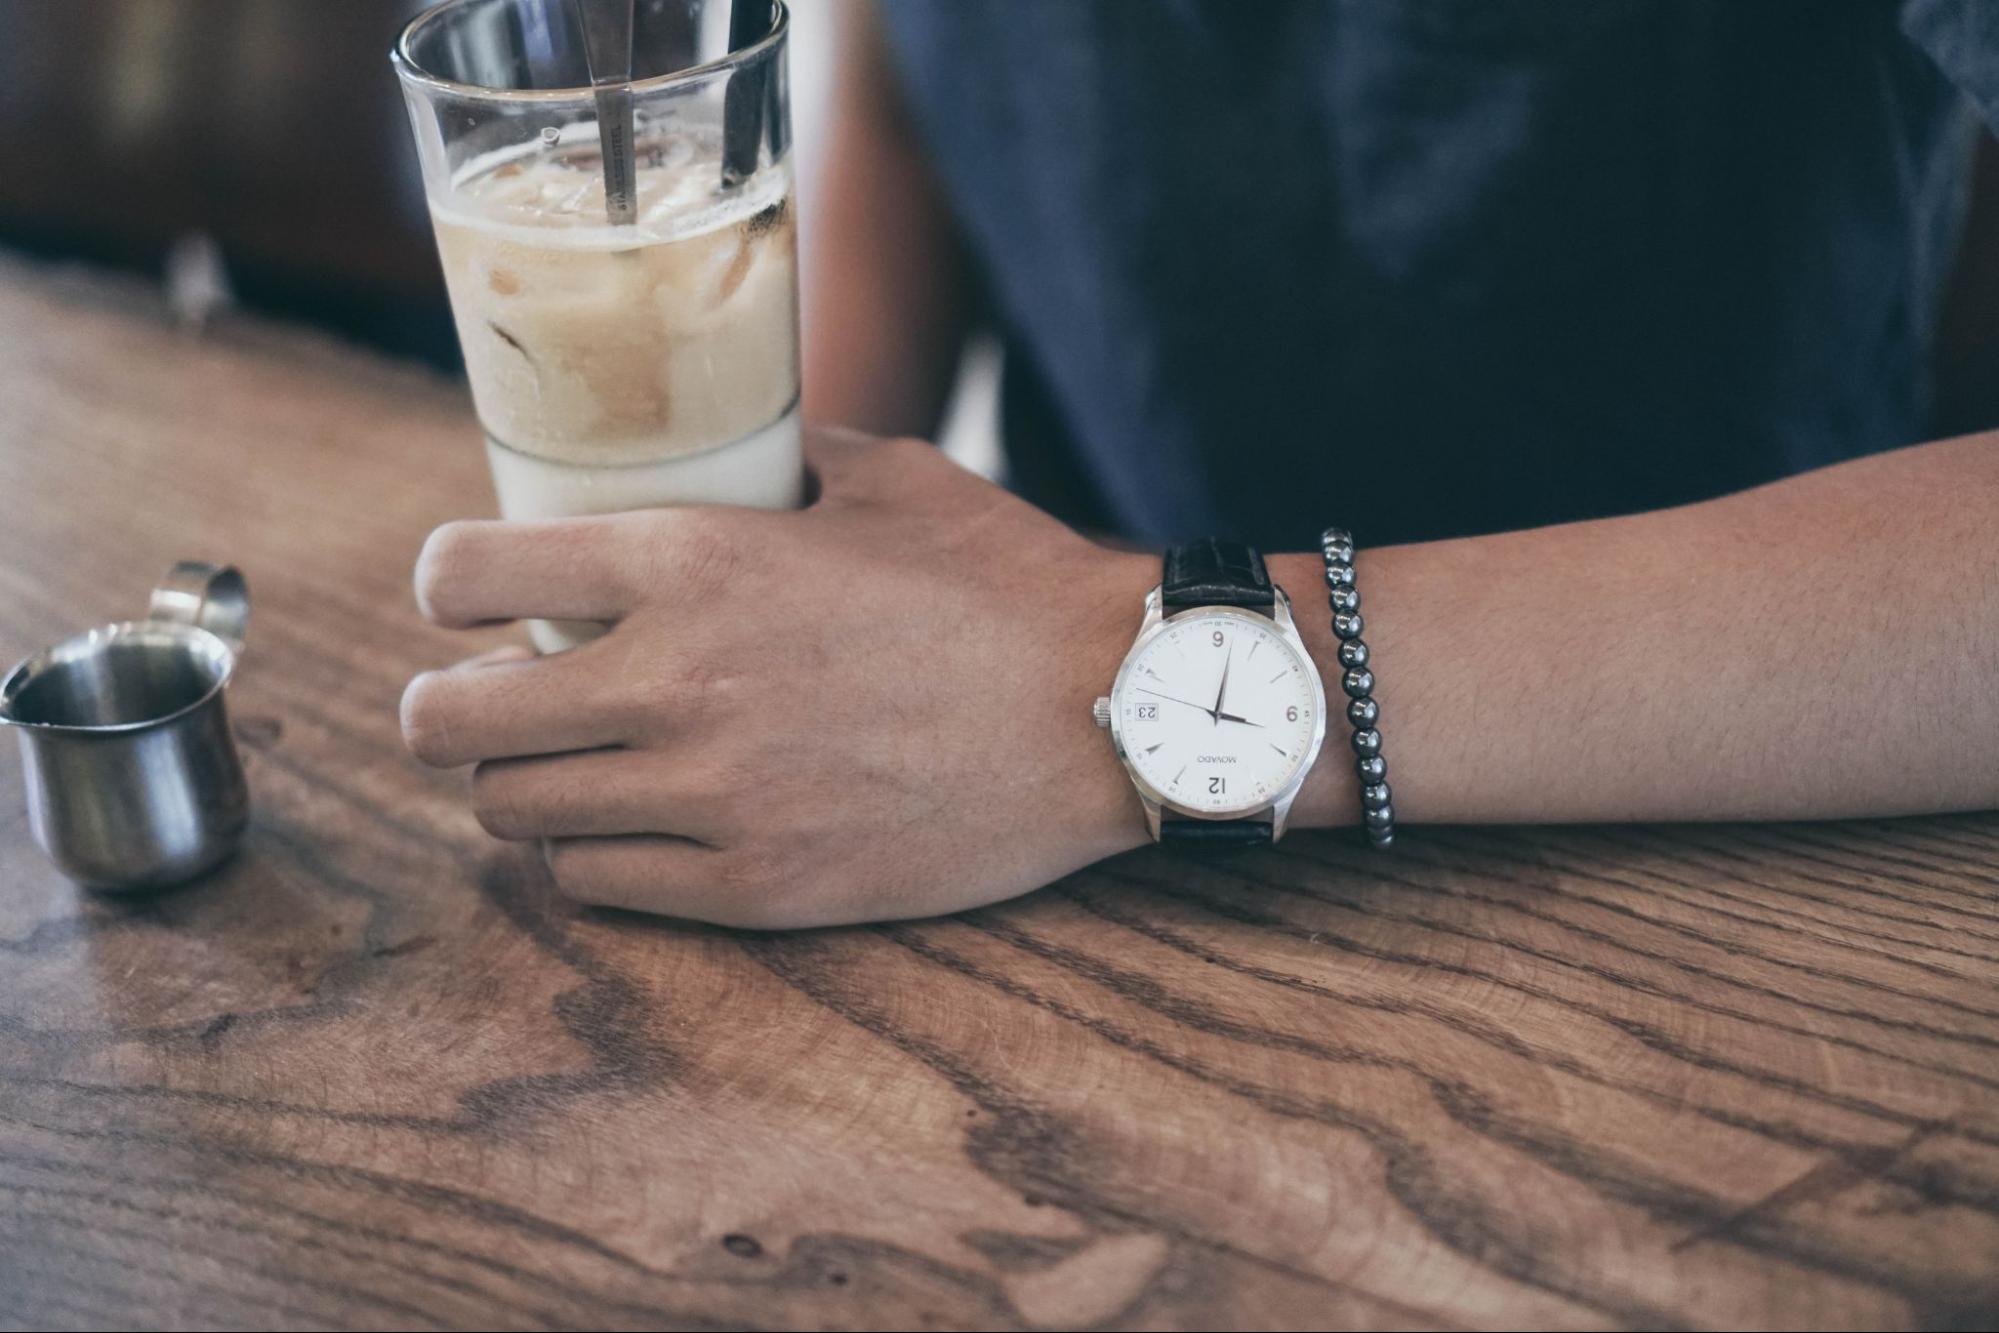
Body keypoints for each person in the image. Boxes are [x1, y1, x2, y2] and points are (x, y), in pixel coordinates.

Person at [399, 0, 1999, 928]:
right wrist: (776, 593)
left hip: (1741, 867)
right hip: (1024, 864)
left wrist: (1119, 680)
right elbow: (921, 71)